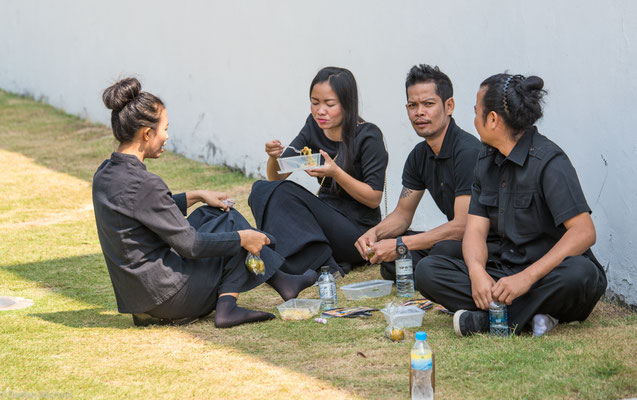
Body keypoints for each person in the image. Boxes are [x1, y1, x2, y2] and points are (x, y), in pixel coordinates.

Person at [93, 78, 316, 329]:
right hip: (168, 297)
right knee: (232, 228)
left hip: (141, 299)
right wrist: (243, 238)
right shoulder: (145, 184)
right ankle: (234, 305)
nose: (166, 136)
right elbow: (191, 245)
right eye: (164, 129)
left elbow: (143, 211)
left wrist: (197, 195)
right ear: (147, 133)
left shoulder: (105, 173)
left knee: (212, 214)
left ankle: (279, 283)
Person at [415, 73, 607, 336]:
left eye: (476, 113)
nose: (473, 121)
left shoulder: (550, 162)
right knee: (428, 269)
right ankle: (531, 316)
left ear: (492, 119)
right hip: (504, 270)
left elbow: (584, 232)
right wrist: (476, 273)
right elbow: (474, 231)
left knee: (581, 274)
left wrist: (527, 278)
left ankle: (491, 322)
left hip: (548, 274)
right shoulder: (485, 161)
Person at [249, 66, 388, 276]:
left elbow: (374, 199)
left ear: (347, 104)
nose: (320, 111)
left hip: (358, 232)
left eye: (329, 104)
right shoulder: (314, 127)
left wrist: (336, 173)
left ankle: (317, 261)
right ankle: (323, 261)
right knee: (261, 189)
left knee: (285, 193)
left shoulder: (368, 136)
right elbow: (278, 175)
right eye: (315, 103)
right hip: (324, 222)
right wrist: (273, 157)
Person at [355, 64, 482, 280]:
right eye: (412, 105)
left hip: (485, 242)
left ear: (449, 106)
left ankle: (434, 274)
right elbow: (403, 215)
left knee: (437, 253)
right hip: (455, 240)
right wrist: (374, 233)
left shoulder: (467, 151)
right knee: (393, 263)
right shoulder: (419, 155)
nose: (419, 112)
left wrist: (400, 244)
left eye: (428, 104)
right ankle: (432, 273)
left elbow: (463, 226)